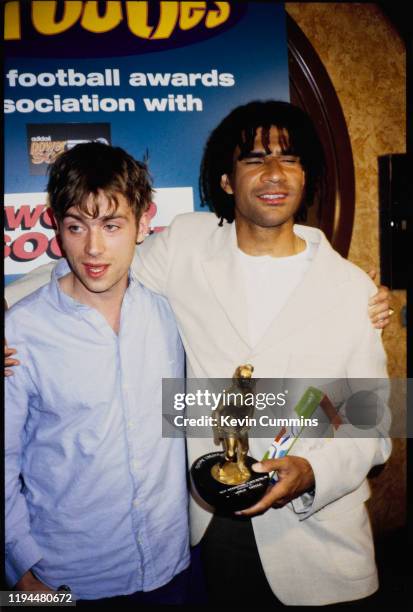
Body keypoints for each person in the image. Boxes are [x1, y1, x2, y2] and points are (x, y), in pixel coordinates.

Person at [4, 101, 392, 606]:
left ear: (306, 174)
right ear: (227, 181)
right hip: (207, 534)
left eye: (289, 159)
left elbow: (373, 420)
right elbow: (96, 259)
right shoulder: (185, 245)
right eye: (254, 159)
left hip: (319, 542)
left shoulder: (350, 288)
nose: (273, 173)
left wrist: (313, 472)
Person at [5, 143, 190, 604]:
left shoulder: (173, 313)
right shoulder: (20, 330)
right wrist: (19, 573)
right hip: (56, 582)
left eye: (111, 225)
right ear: (56, 226)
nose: (92, 248)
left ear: (144, 222)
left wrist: (355, 298)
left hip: (173, 569)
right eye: (76, 226)